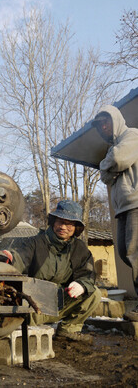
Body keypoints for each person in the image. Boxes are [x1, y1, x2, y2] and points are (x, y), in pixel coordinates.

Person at [0, 200, 101, 342]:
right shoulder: (36, 242)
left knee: (94, 293)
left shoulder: (80, 249)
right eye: (60, 221)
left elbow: (88, 273)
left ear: (76, 227)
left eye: (69, 224)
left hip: (57, 303)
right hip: (31, 307)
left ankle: (68, 330)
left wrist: (81, 284)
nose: (63, 227)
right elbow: (20, 256)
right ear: (53, 222)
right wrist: (9, 257)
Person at [92, 105, 138, 321]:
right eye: (100, 125)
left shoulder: (132, 135)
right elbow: (105, 176)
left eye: (106, 122)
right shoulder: (115, 147)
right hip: (122, 208)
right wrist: (107, 167)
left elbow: (118, 161)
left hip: (136, 203)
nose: (103, 127)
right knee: (124, 252)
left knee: (135, 253)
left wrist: (105, 164)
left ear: (116, 120)